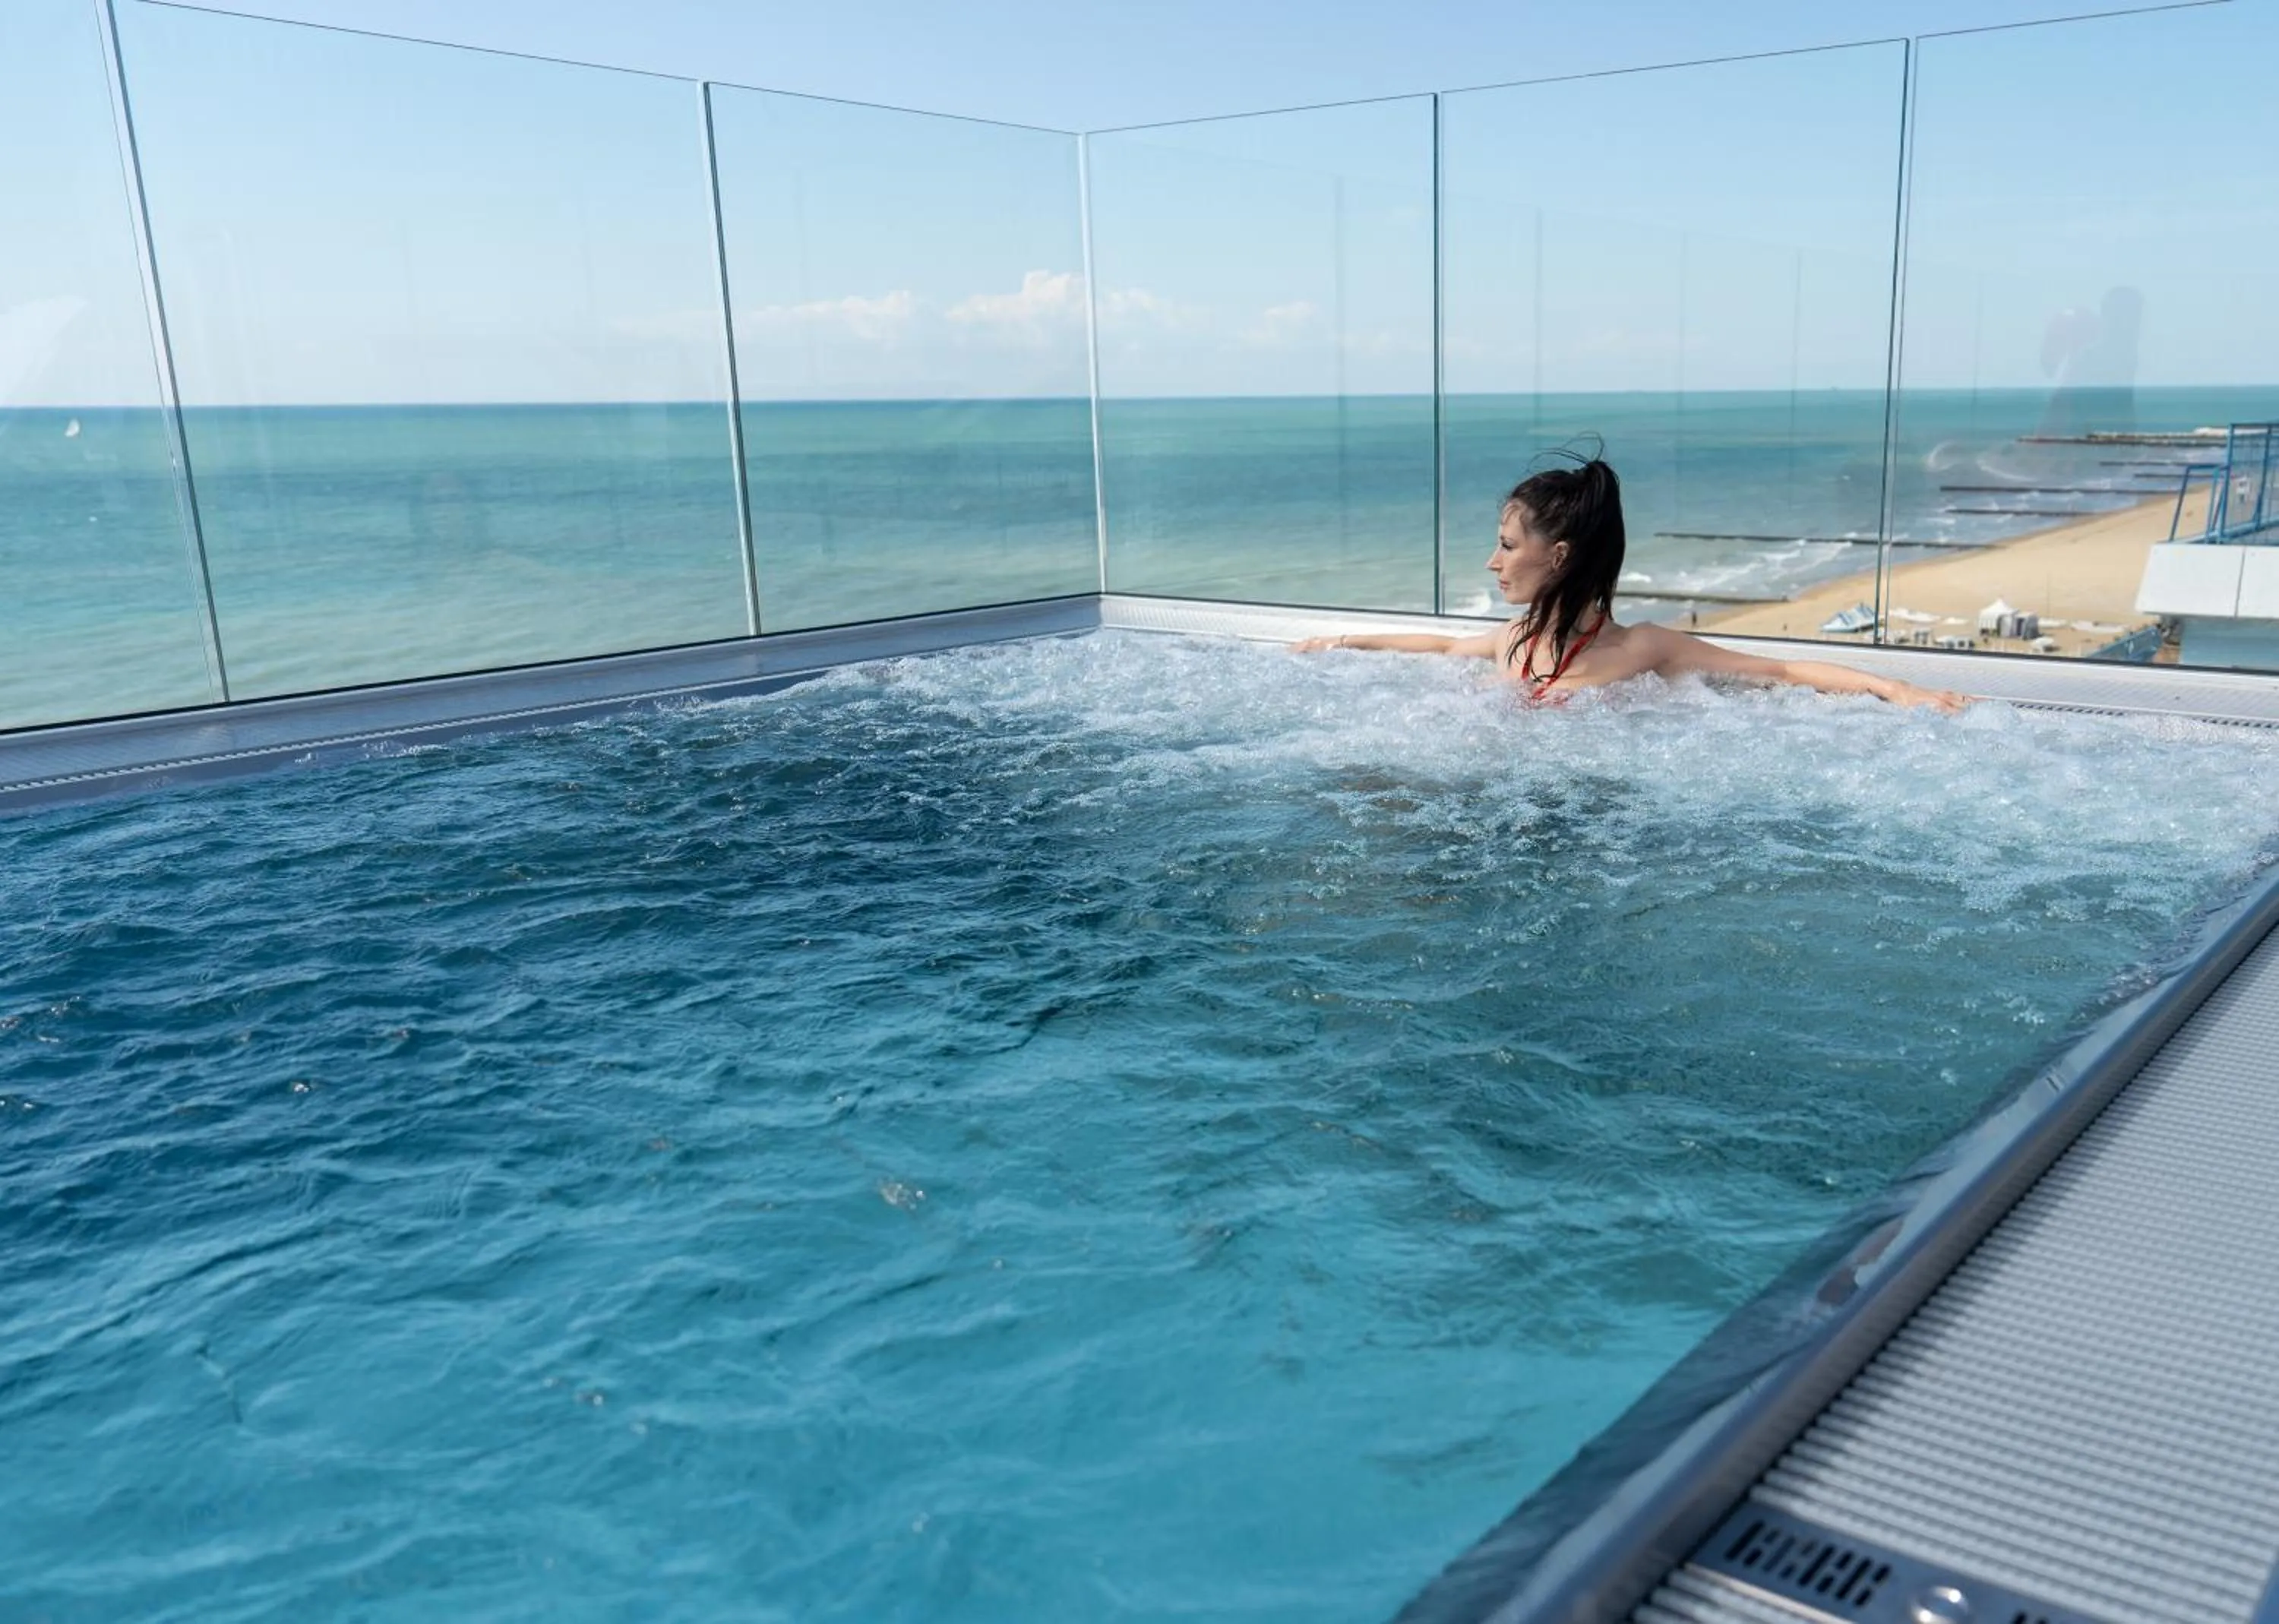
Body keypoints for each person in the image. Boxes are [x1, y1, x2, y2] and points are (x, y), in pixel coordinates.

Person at [1291, 456, 1968, 712]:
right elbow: (1440, 649)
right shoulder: (1516, 639)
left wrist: (1897, 689)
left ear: (1557, 555)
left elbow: (1781, 667)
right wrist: (1342, 641)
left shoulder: (1644, 649)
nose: (1492, 564)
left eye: (1505, 546)